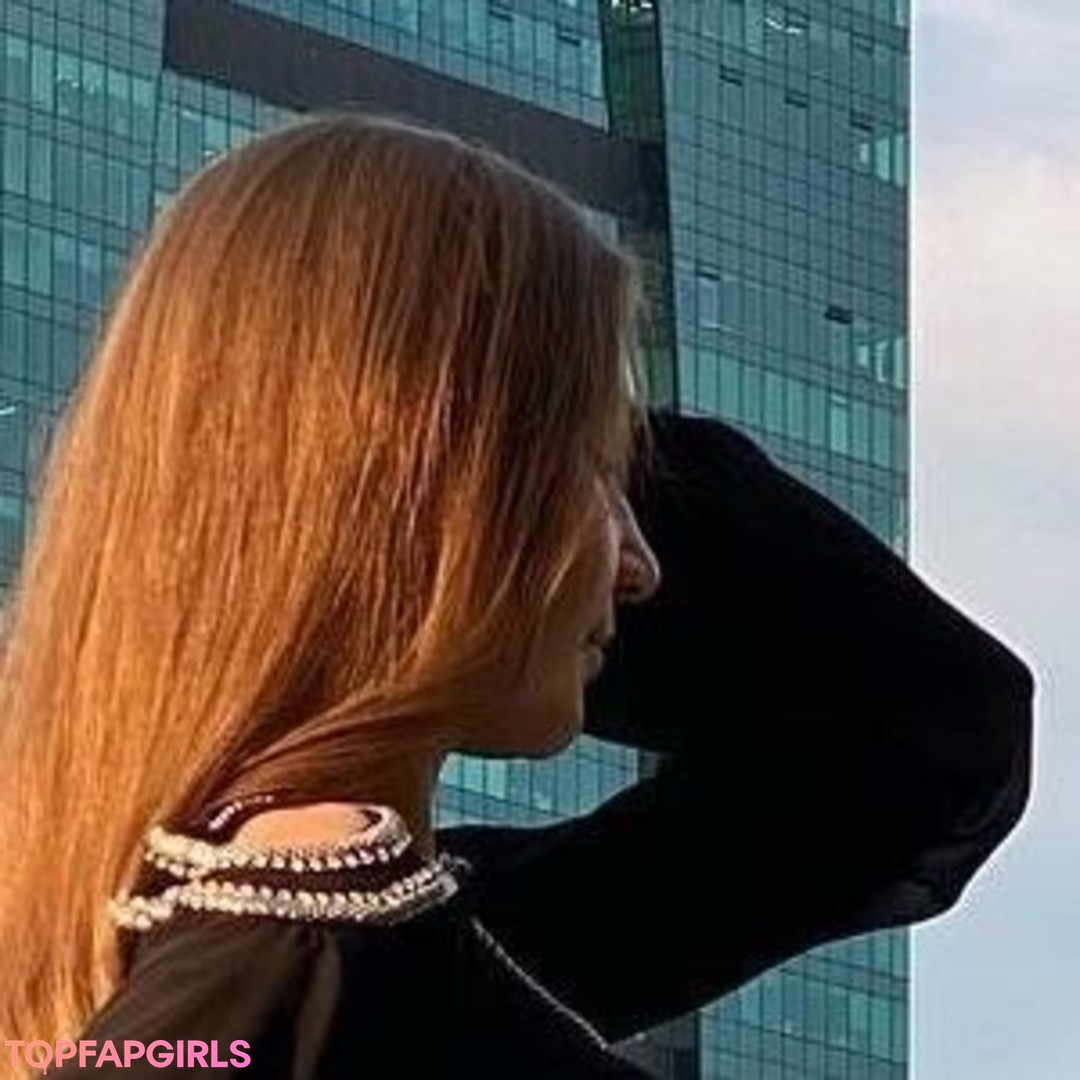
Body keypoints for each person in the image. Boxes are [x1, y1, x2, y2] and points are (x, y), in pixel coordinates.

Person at [0, 114, 1033, 1079]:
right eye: (597, 470)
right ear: (427, 480)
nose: (642, 566)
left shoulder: (345, 950)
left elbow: (932, 731)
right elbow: (925, 723)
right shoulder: (300, 968)